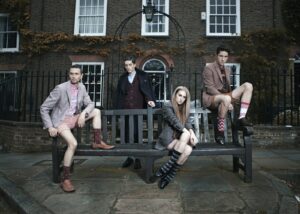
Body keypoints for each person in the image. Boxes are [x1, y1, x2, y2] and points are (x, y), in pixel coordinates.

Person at [40, 65, 114, 193]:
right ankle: (66, 179)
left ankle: (97, 142)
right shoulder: (60, 88)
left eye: (76, 74)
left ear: (81, 76)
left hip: (74, 118)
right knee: (73, 144)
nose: (74, 76)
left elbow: (90, 103)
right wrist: (50, 126)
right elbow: (44, 108)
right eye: (71, 74)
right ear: (69, 75)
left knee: (96, 111)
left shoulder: (82, 87)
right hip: (61, 121)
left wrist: (84, 114)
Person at [202, 46, 253, 145]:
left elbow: (227, 88)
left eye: (225, 56)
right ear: (216, 56)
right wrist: (227, 99)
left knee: (248, 85)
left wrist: (230, 99)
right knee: (225, 98)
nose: (223, 59)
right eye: (221, 56)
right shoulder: (208, 68)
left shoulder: (227, 69)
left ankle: (242, 117)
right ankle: (219, 133)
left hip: (225, 96)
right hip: (212, 97)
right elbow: (210, 88)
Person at [152, 86, 198, 189]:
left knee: (188, 149)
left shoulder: (184, 108)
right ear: (175, 95)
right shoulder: (167, 106)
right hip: (168, 140)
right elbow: (174, 121)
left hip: (179, 140)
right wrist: (187, 132)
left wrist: (192, 133)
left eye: (184, 97)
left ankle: (168, 175)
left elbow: (188, 123)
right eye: (179, 95)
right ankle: (166, 168)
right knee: (185, 134)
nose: (181, 99)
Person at [116, 55, 156, 169]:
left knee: (137, 134)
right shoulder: (123, 78)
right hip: (126, 110)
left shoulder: (142, 76)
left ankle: (137, 158)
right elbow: (119, 95)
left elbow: (147, 91)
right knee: (127, 134)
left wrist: (150, 100)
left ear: (134, 65)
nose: (128, 67)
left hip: (138, 110)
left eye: (130, 65)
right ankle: (129, 157)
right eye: (126, 65)